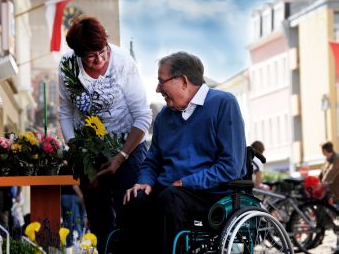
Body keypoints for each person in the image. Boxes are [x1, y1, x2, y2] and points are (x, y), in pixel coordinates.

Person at [123, 51, 247, 254]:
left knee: (170, 199)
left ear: (183, 81)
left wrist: (185, 183)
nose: (157, 89)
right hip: (170, 192)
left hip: (211, 194)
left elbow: (230, 166)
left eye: (161, 81)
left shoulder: (223, 103)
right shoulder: (164, 116)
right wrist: (143, 181)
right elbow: (152, 161)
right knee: (134, 198)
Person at [58, 15, 152, 253]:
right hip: (89, 151)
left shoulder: (122, 62)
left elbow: (142, 115)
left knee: (129, 214)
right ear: (78, 54)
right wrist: (77, 153)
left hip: (128, 146)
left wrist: (120, 156)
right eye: (91, 55)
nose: (99, 58)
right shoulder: (67, 66)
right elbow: (66, 113)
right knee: (99, 220)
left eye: (102, 51)